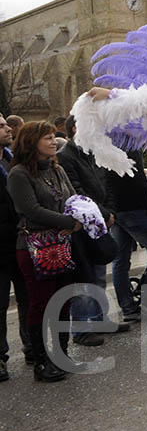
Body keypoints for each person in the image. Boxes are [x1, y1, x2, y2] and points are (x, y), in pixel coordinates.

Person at [7, 121, 82, 382]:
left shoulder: (56, 168)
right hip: (33, 247)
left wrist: (85, 216)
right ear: (31, 142)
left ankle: (61, 354)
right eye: (47, 138)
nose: (53, 141)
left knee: (64, 300)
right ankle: (41, 362)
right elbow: (31, 210)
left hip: (61, 244)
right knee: (40, 303)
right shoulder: (19, 173)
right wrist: (69, 222)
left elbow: (72, 199)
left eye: (54, 137)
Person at [57, 115, 129, 346]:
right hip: (81, 227)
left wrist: (109, 212)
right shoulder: (65, 157)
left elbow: (106, 185)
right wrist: (102, 213)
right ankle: (82, 328)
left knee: (98, 275)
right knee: (83, 278)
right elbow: (76, 192)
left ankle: (100, 320)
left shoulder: (92, 154)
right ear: (76, 128)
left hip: (100, 222)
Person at [105, 149, 147, 322]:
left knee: (120, 260)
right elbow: (139, 183)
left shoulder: (106, 147)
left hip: (116, 210)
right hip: (134, 209)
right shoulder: (130, 148)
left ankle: (128, 307)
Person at [0, 115, 32, 381]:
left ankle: (32, 345)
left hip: (19, 240)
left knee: (27, 297)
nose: (8, 128)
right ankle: (1, 357)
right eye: (0, 126)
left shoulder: (12, 160)